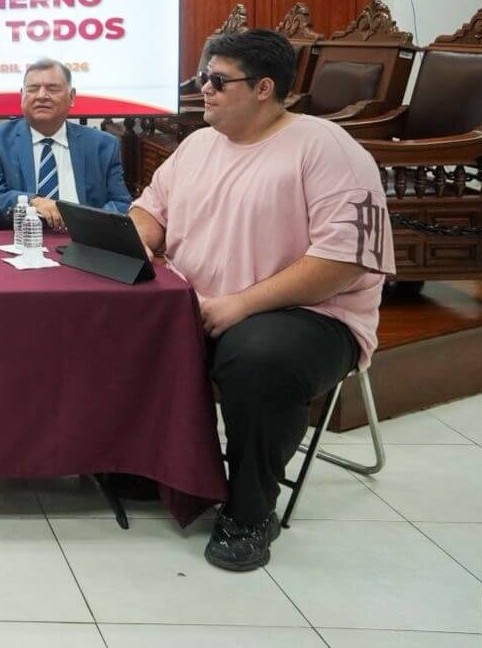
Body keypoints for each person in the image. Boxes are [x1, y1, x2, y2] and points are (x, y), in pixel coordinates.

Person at [131, 29, 390, 572]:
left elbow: (342, 262)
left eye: (219, 80)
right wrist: (140, 241)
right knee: (110, 319)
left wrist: (241, 305)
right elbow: (150, 209)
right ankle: (142, 464)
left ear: (265, 88)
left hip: (309, 315)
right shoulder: (199, 144)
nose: (205, 88)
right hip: (200, 303)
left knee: (258, 358)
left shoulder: (326, 148)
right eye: (205, 77)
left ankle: (249, 513)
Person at [0, 58, 132, 231]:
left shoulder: (102, 145)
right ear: (22, 96)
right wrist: (34, 202)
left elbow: (121, 203)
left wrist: (84, 222)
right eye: (32, 89)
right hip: (16, 241)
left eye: (52, 88)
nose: (41, 96)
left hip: (84, 242)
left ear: (72, 97)